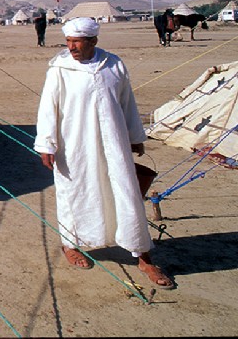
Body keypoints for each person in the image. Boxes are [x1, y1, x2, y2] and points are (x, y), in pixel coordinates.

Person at [34, 17, 175, 289]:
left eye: (77, 42)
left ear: (93, 41)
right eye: (68, 42)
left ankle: (142, 255)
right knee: (76, 192)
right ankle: (71, 244)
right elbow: (48, 108)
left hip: (114, 143)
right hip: (74, 146)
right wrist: (46, 144)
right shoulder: (60, 68)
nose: (71, 47)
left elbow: (127, 102)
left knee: (125, 193)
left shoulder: (114, 65)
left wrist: (135, 138)